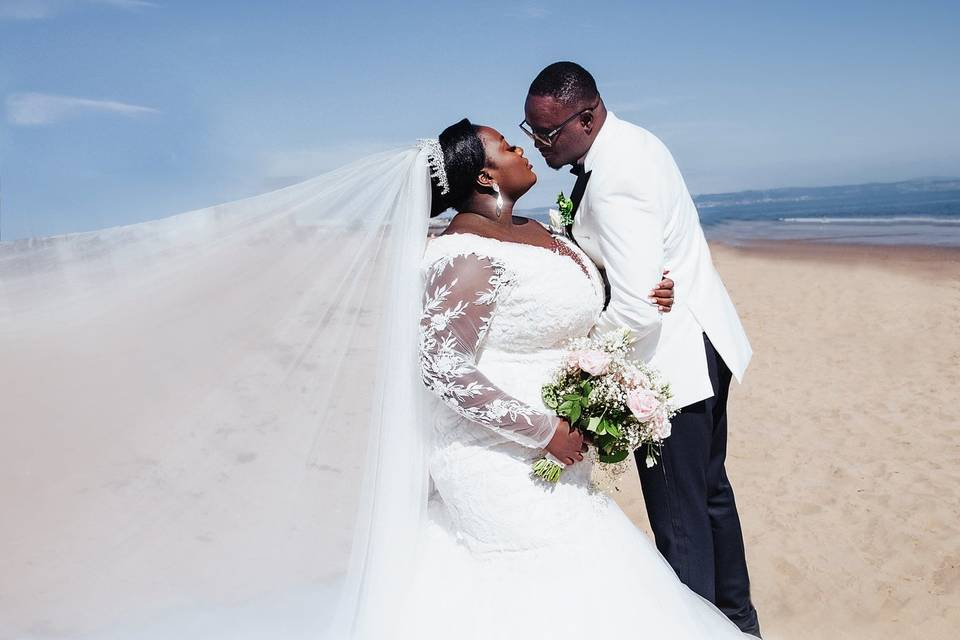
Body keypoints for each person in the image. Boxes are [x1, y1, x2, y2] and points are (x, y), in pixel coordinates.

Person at [397, 117, 753, 638]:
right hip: (500, 460)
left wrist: (642, 294)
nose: (522, 149)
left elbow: (559, 306)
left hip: (564, 455)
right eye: (506, 145)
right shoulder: (463, 255)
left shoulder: (534, 230)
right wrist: (544, 430)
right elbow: (443, 369)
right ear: (484, 178)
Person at [522, 61, 761, 636]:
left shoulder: (615, 176)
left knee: (680, 515)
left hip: (672, 363)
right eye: (529, 130)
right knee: (709, 496)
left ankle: (701, 627)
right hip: (704, 341)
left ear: (586, 117)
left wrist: (576, 353)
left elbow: (635, 308)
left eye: (547, 132)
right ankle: (739, 624)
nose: (538, 144)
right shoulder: (634, 143)